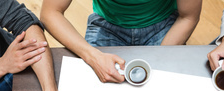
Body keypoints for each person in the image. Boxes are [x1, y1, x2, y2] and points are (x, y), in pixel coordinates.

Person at [40, 0, 202, 83]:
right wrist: (93, 56)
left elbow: (188, 17)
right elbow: (50, 13)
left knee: (168, 89)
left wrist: (160, 59)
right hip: (107, 24)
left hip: (162, 24)